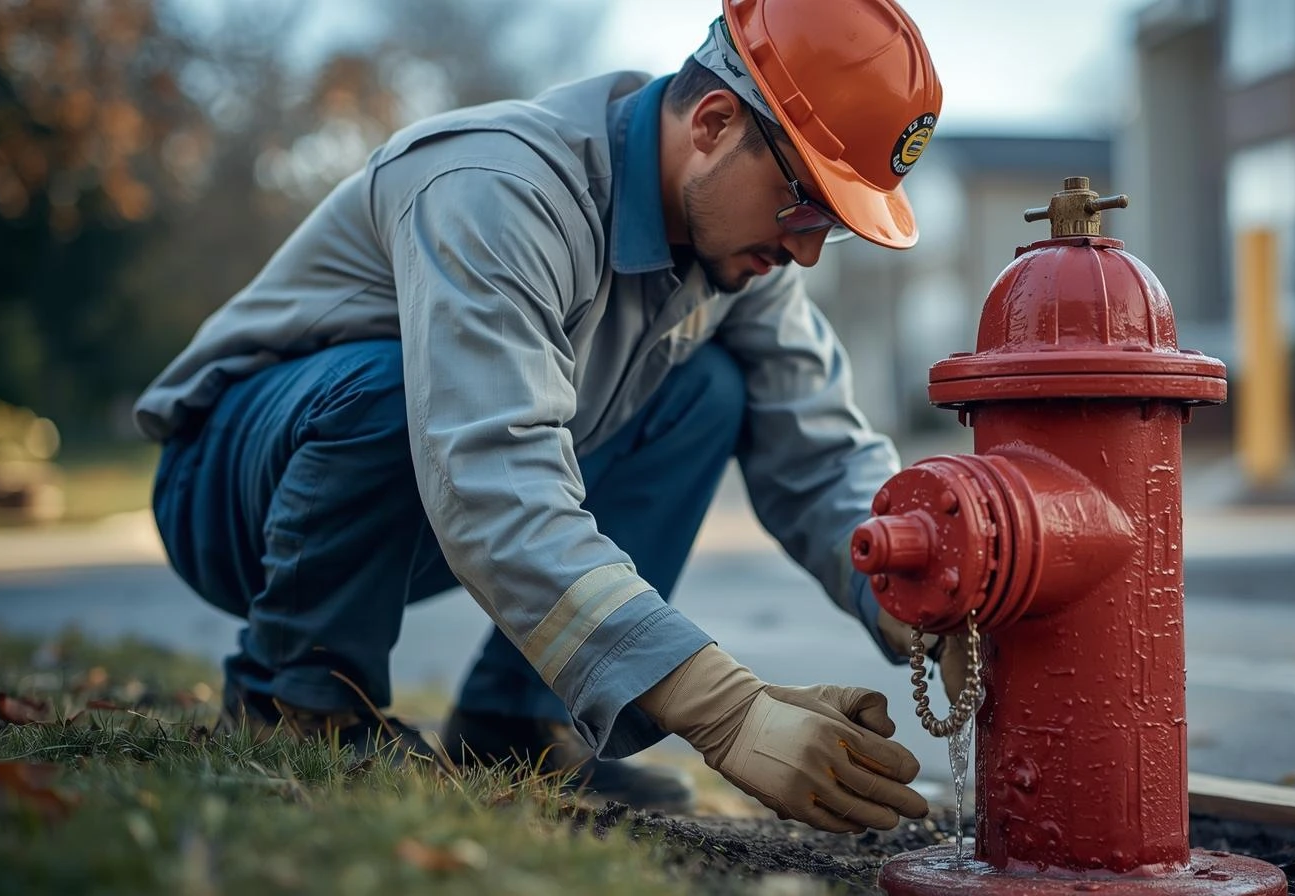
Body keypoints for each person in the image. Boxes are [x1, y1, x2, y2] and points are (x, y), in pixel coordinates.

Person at [135, 0, 964, 834]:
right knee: (390, 386)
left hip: (424, 507)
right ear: (714, 123)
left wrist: (920, 594)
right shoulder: (499, 188)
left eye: (833, 227)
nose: (807, 250)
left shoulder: (737, 255)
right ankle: (296, 700)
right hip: (234, 491)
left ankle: (517, 723)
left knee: (711, 390)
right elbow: (493, 478)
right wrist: (724, 707)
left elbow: (820, 453)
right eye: (806, 205)